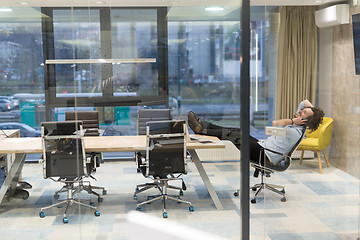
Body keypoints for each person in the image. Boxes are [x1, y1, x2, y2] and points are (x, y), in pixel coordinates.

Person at [188, 99, 325, 166]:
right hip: (262, 146)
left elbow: (276, 124)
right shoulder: (299, 125)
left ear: (305, 120)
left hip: (266, 156)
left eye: (304, 112)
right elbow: (304, 102)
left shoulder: (295, 131)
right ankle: (203, 126)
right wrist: (313, 113)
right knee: (237, 131)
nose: (301, 110)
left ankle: (203, 129)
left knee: (235, 135)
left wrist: (292, 120)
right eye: (303, 110)